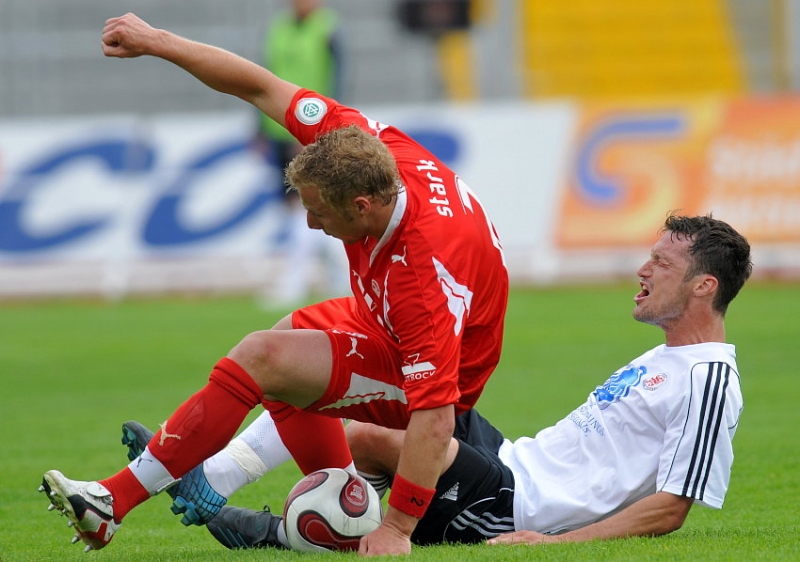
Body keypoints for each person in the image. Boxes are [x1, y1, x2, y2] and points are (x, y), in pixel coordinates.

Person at [39, 11, 508, 557]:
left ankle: (112, 502)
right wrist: (158, 41)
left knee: (267, 357)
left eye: (318, 213)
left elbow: (435, 416)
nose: (310, 225)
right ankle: (340, 496)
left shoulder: (422, 276)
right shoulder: (358, 142)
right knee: (286, 339)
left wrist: (397, 530)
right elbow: (260, 86)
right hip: (380, 316)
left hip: (435, 367)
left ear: (361, 206)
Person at [128, 213, 751, 550]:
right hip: (509, 456)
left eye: (662, 263)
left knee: (366, 436)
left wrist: (550, 544)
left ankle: (234, 504)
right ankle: (227, 483)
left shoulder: (709, 380)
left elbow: (672, 508)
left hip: (513, 502)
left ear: (704, 286)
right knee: (377, 386)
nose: (643, 268)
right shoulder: (661, 358)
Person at [254, 0, 349, 306]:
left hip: (312, 129)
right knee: (296, 208)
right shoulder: (278, 29)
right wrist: (258, 128)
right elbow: (261, 78)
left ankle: (295, 281)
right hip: (278, 129)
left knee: (308, 206)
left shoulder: (327, 28)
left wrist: (319, 130)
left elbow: (337, 81)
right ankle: (339, 279)